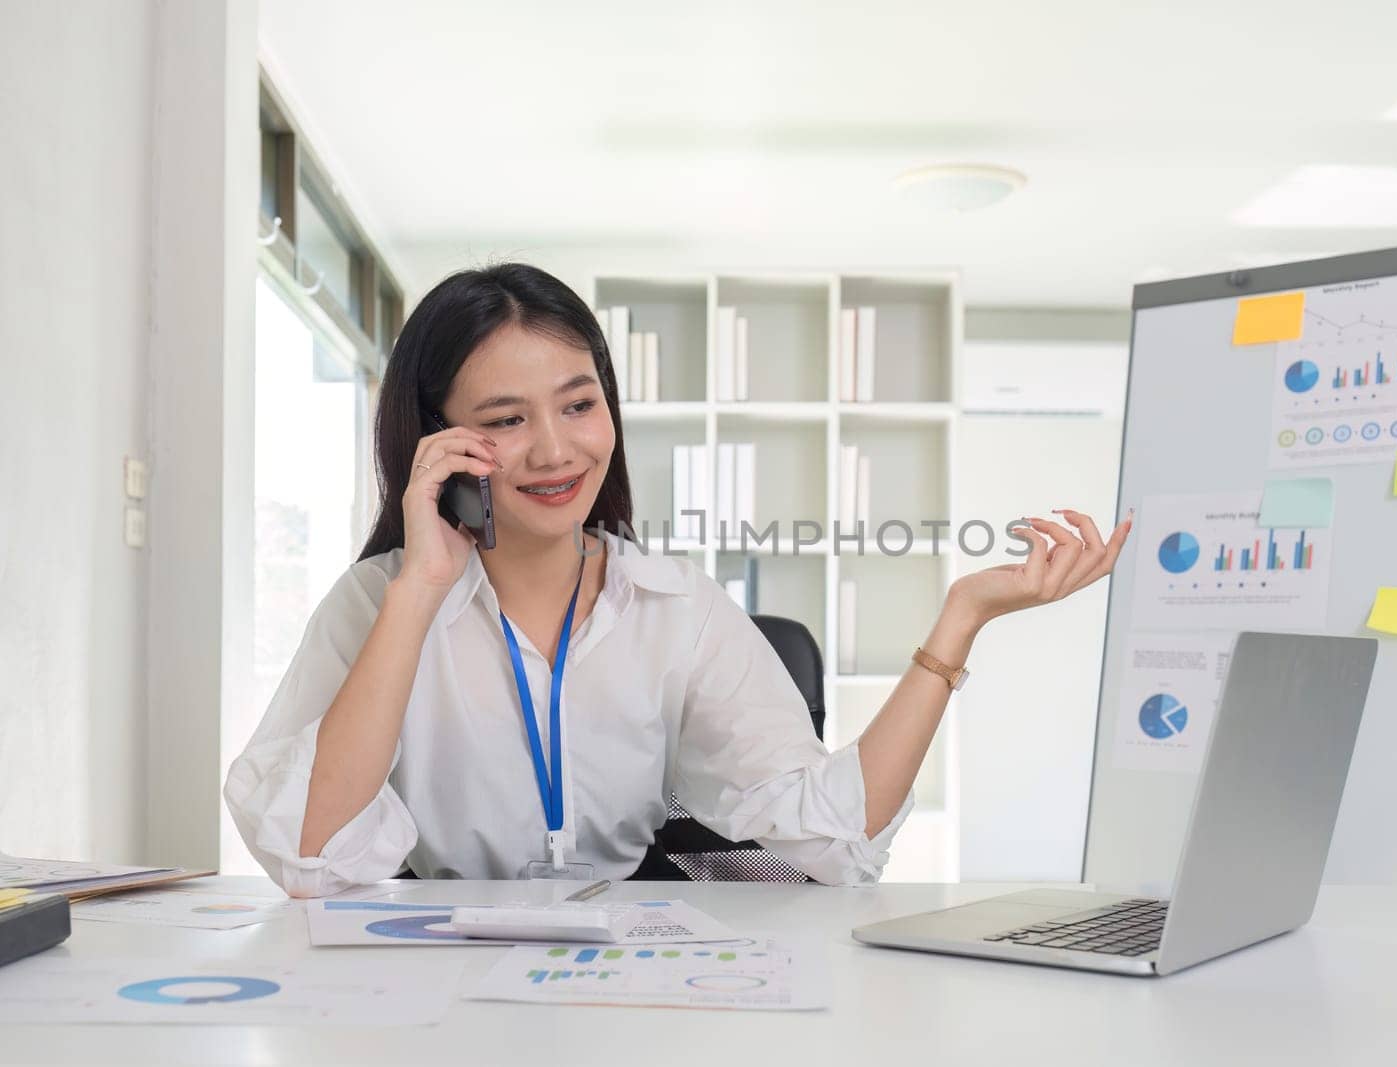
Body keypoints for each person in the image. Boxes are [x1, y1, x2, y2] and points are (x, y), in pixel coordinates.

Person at [225, 263, 1131, 897]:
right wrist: (421, 586)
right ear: (442, 444)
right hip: (438, 1002)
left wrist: (961, 619)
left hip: (633, 986)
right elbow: (312, 858)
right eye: (505, 419)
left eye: (580, 404)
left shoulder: (676, 609)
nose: (555, 449)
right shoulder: (378, 604)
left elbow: (835, 839)